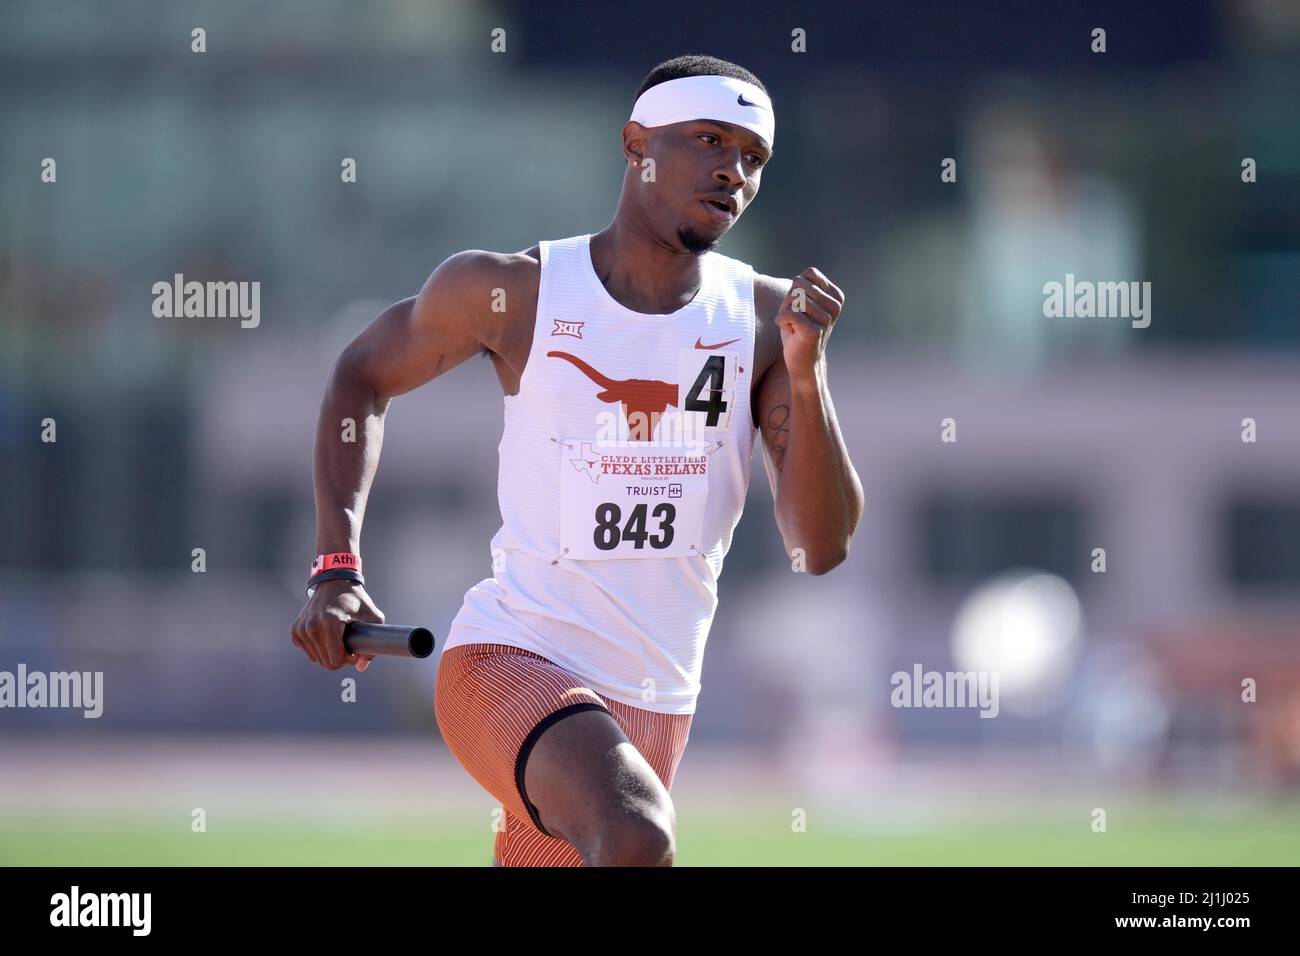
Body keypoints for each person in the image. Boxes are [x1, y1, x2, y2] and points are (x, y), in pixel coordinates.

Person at [290, 54, 863, 866]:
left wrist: (807, 375)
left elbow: (820, 545)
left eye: (752, 156)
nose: (731, 170)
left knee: (623, 832)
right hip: (512, 657)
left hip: (657, 698)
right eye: (707, 140)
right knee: (635, 834)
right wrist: (335, 566)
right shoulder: (513, 290)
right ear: (637, 145)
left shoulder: (766, 323)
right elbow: (360, 377)